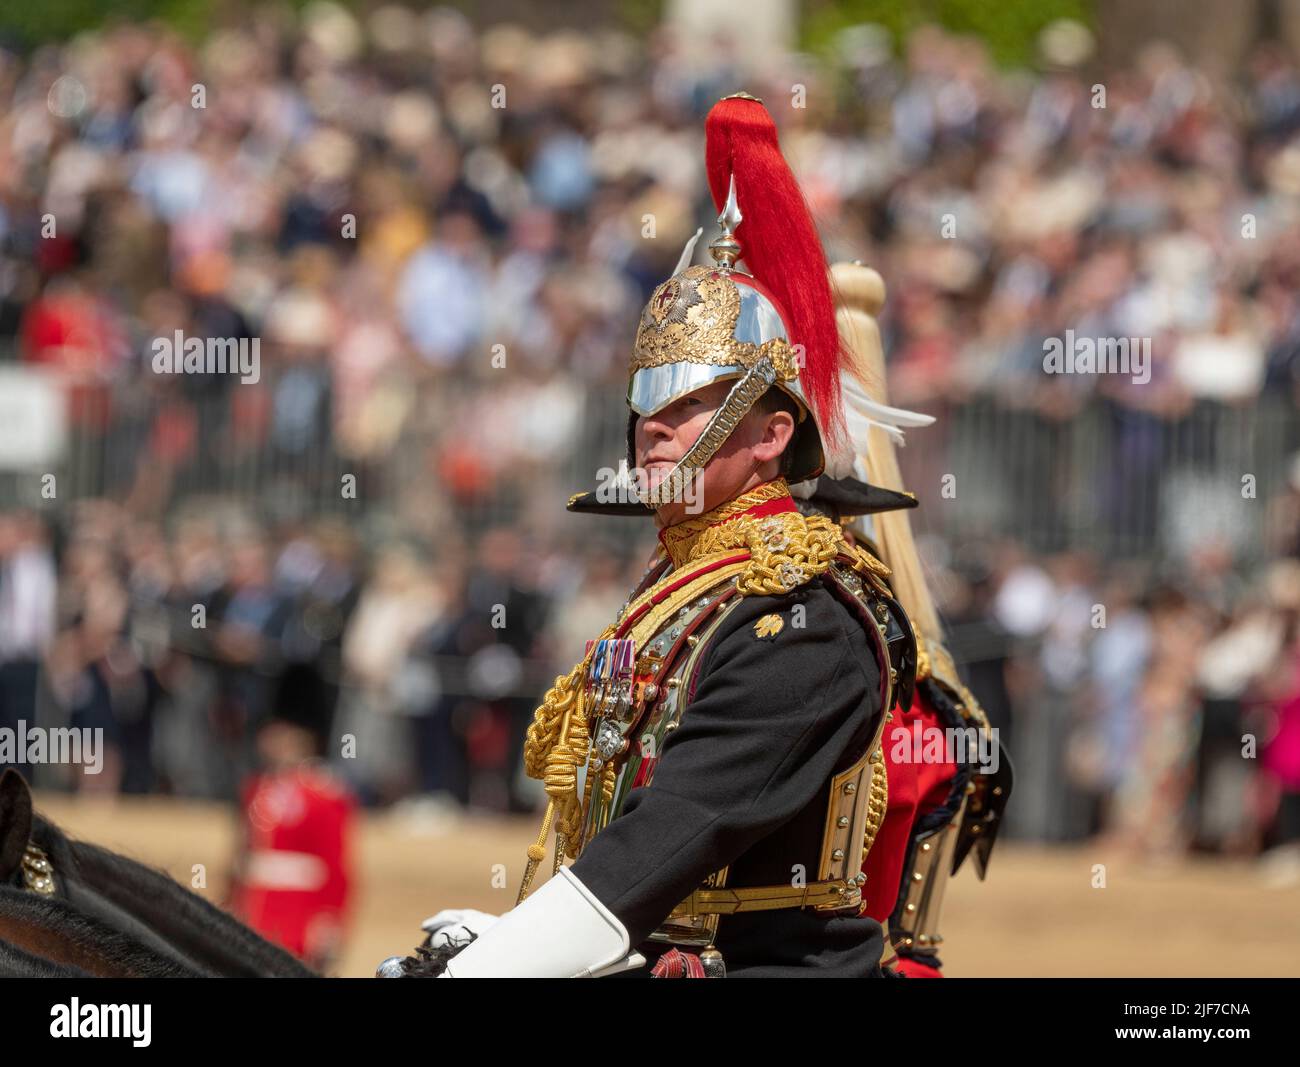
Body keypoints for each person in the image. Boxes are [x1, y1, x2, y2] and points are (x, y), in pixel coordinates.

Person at [380, 94, 920, 978]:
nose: (656, 431)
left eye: (690, 406)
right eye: (647, 407)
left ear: (770, 434)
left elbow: (683, 828)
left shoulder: (802, 613)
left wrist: (506, 961)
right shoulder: (685, 584)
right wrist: (508, 932)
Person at [228, 661, 356, 973]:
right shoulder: (255, 788)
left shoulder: (326, 795)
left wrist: (328, 923)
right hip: (251, 916)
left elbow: (336, 868)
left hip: (297, 922)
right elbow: (241, 858)